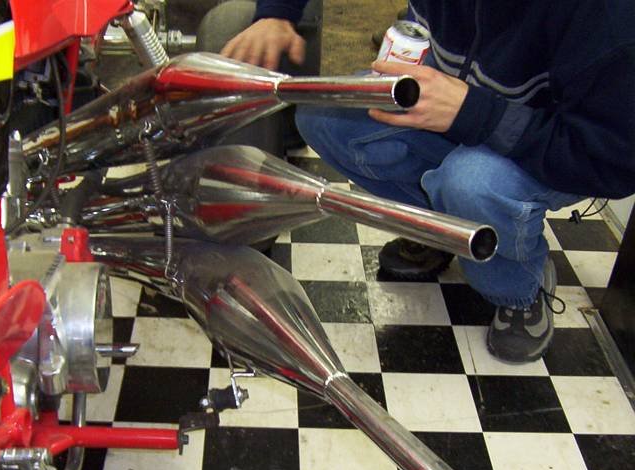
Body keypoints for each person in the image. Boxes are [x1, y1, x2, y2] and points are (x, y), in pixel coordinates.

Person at [222, 0, 635, 363]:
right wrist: (277, 14)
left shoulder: (607, 16)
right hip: (462, 95)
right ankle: (444, 228)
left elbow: (614, 161)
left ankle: (519, 288)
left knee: (471, 183)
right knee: (326, 115)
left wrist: (473, 113)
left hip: (551, 138)